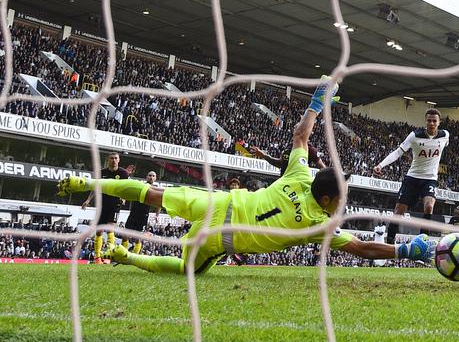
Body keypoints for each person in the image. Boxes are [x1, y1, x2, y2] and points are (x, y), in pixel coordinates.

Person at [58, 77, 435, 274]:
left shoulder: (300, 175)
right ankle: (127, 256)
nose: (343, 205)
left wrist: (318, 103)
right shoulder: (319, 224)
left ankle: (85, 181)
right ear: (326, 201)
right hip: (220, 239)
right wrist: (407, 249)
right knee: (187, 271)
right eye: (341, 200)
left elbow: (300, 135)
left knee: (148, 193)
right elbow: (362, 248)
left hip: (218, 201)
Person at [373, 108, 449, 243]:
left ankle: (423, 242)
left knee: (429, 206)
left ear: (439, 122)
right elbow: (398, 152)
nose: (431, 123)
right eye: (429, 121)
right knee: (398, 211)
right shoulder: (414, 135)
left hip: (430, 179)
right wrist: (380, 165)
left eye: (434, 121)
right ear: (425, 121)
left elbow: (445, 144)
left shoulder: (445, 135)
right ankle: (390, 242)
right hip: (412, 177)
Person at [81, 152, 129, 264]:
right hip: (102, 204)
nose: (113, 160)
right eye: (111, 158)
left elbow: (126, 188)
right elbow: (95, 188)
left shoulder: (123, 173)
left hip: (115, 204)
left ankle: (109, 256)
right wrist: (88, 200)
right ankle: (97, 257)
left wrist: (124, 198)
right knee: (99, 231)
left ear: (119, 160)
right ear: (108, 160)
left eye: (115, 158)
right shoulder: (101, 173)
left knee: (110, 228)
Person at [121, 171, 160, 255]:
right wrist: (124, 198)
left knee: (138, 238)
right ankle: (122, 254)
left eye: (153, 176)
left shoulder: (156, 190)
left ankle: (133, 256)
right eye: (150, 175)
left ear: (155, 178)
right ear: (146, 177)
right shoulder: (141, 186)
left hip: (143, 215)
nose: (151, 177)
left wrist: (157, 215)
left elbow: (159, 204)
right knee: (125, 235)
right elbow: (131, 192)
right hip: (133, 213)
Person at [250, 143, 326, 175]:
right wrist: (264, 156)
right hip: (283, 182)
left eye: (297, 128)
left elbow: (322, 167)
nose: (295, 129)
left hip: (296, 186)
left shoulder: (310, 149)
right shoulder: (289, 147)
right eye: (295, 128)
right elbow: (280, 163)